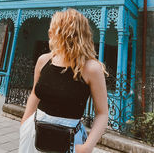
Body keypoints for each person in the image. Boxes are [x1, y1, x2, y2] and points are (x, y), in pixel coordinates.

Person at [19, 8, 108, 153]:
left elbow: (102, 113)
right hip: (34, 134)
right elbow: (35, 93)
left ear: (68, 33)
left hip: (69, 139)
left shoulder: (91, 68)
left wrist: (87, 147)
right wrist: (24, 123)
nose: (49, 33)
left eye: (53, 29)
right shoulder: (44, 60)